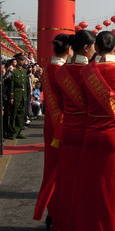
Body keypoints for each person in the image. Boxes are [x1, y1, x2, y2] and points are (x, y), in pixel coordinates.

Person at [75, 31, 115, 230]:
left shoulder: (86, 71)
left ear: (98, 48)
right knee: (114, 185)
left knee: (91, 184)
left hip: (91, 133)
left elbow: (83, 103)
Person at [54, 29, 96, 231]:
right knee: (86, 178)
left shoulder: (61, 71)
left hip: (68, 128)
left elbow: (60, 104)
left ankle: (61, 218)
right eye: (94, 46)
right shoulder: (92, 72)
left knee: (67, 177)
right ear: (86, 48)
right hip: (87, 130)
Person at [33, 33, 73, 230]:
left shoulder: (48, 67)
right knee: (64, 170)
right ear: (69, 50)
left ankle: (52, 212)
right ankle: (59, 214)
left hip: (51, 121)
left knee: (51, 168)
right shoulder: (62, 71)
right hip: (64, 125)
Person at [8, 53, 28, 139]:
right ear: (17, 60)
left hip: (22, 95)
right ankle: (13, 132)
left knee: (21, 114)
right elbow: (11, 85)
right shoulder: (14, 71)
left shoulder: (23, 71)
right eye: (21, 60)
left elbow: (25, 85)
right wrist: (11, 96)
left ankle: (18, 131)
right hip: (16, 95)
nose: (23, 61)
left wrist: (25, 96)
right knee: (14, 114)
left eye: (23, 60)